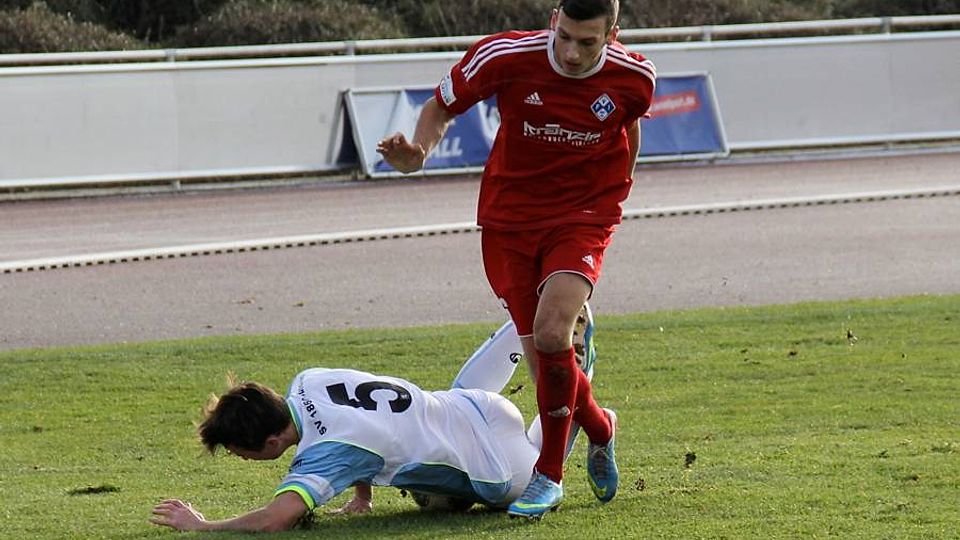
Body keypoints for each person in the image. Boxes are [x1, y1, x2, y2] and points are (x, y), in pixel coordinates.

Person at [377, 0, 655, 518]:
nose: (571, 53)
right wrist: (418, 152)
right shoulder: (504, 56)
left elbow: (629, 125)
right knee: (544, 363)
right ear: (554, 19)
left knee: (552, 333)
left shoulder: (635, 76)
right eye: (565, 36)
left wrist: (617, 192)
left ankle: (548, 476)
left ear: (612, 34)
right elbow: (441, 105)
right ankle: (601, 427)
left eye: (588, 43)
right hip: (509, 222)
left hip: (583, 216)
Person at [150, 309, 601, 532]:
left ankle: (584, 388)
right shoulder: (308, 380)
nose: (241, 459)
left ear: (269, 443)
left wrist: (202, 525)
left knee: (526, 472)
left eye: (238, 452)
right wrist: (362, 493)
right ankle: (529, 320)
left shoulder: (323, 455)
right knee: (436, 473)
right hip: (474, 403)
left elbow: (275, 518)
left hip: (499, 470)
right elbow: (364, 420)